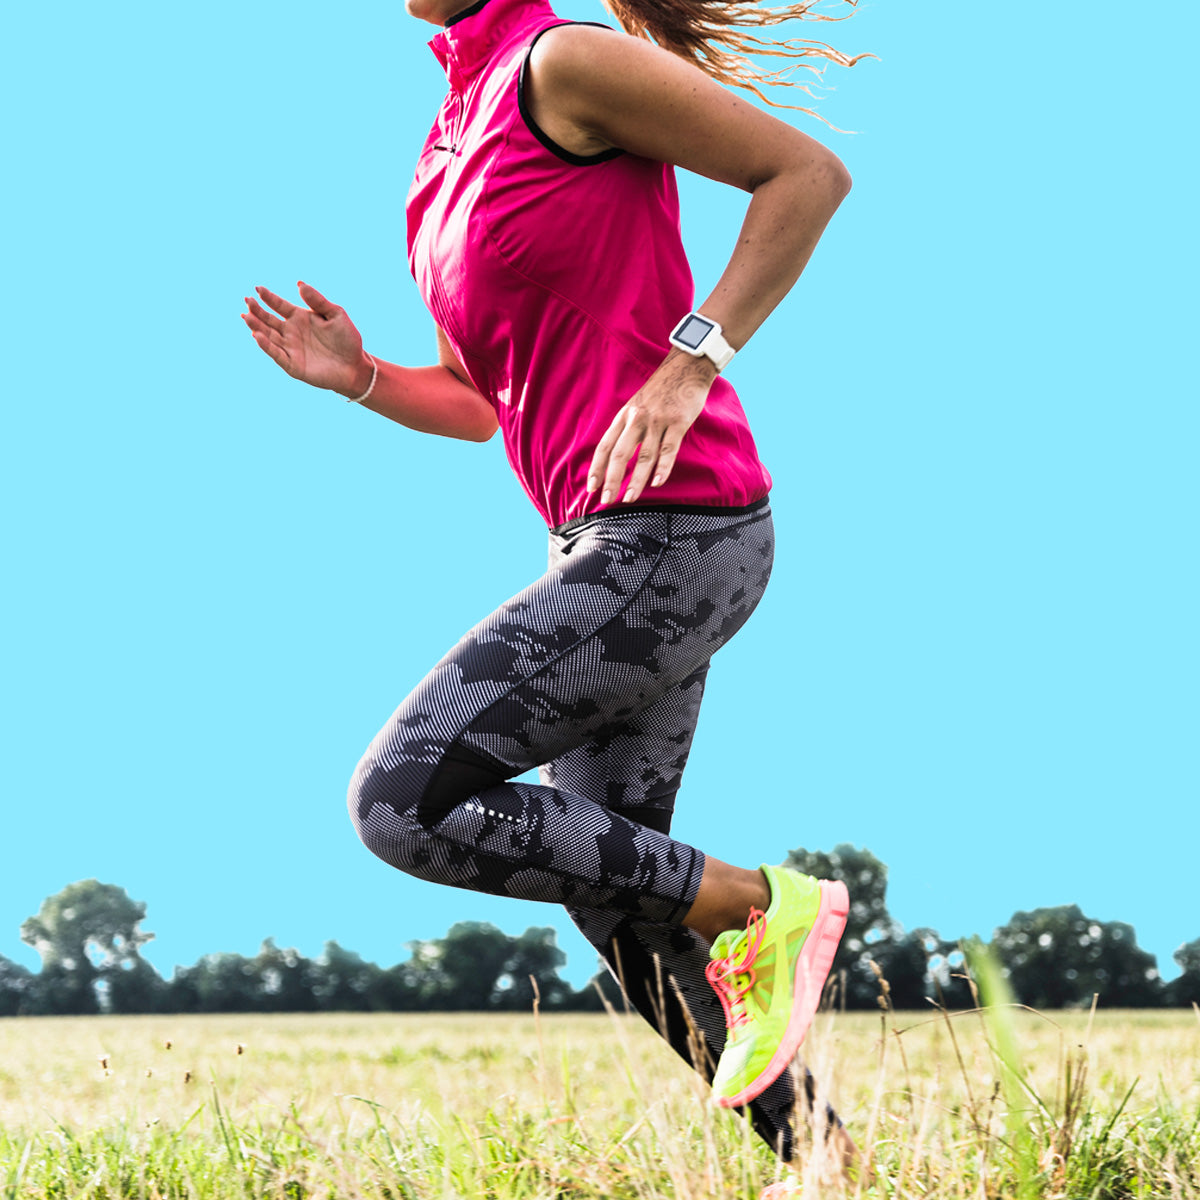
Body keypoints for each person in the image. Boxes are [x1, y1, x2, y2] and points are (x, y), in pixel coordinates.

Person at [242, 0, 864, 1186]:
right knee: (623, 913)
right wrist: (364, 376)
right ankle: (831, 1163)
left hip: (679, 527)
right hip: (603, 539)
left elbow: (805, 176)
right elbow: (481, 405)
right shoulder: (448, 139)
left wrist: (693, 363)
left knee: (402, 797)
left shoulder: (564, 60)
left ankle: (763, 903)